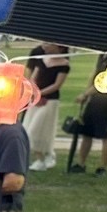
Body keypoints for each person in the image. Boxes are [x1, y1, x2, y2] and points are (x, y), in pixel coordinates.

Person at [67, 52, 107, 175]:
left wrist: (85, 94)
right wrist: (87, 92)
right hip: (94, 100)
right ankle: (81, 163)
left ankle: (103, 167)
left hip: (106, 101)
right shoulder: (102, 55)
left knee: (105, 135)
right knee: (87, 132)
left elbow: (105, 80)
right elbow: (95, 74)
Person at [23, 41, 71, 171]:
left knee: (38, 129)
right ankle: (40, 158)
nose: (44, 47)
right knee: (28, 128)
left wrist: (41, 93)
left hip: (50, 101)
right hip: (36, 99)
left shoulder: (64, 65)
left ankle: (44, 157)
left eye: (48, 44)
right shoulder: (41, 60)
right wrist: (33, 93)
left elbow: (56, 85)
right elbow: (33, 77)